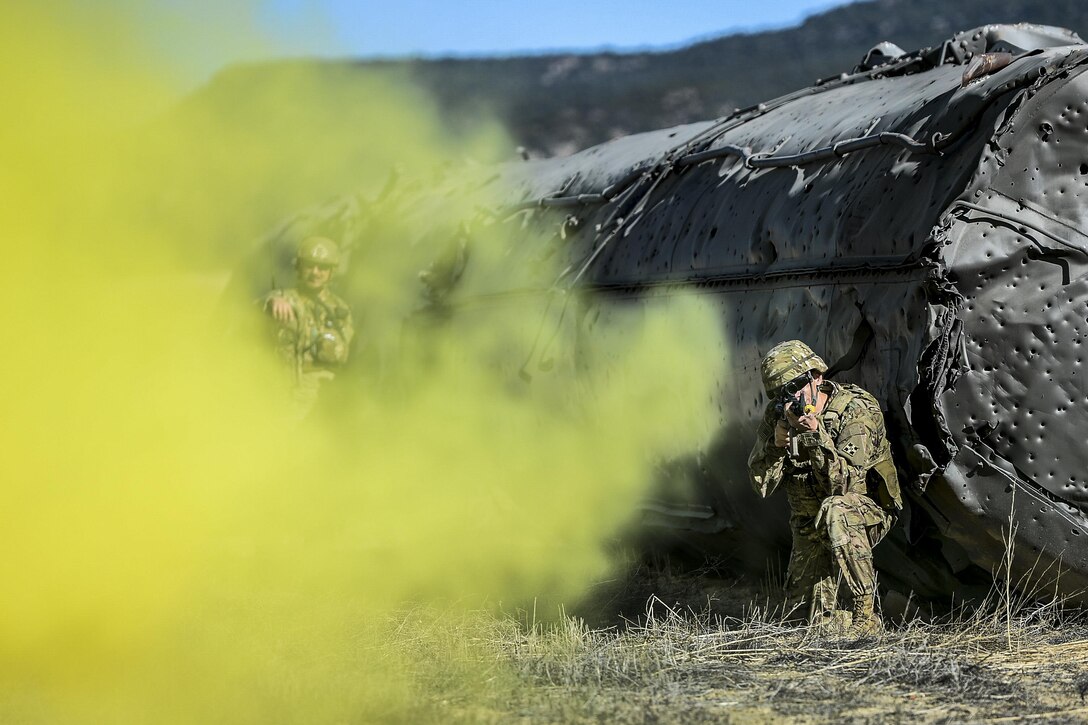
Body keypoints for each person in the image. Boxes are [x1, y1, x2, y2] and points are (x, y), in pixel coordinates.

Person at [747, 340, 901, 637]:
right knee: (802, 626)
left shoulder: (856, 410)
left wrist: (816, 436)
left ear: (816, 377)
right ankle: (837, 616)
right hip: (811, 522)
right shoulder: (780, 415)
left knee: (837, 509)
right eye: (780, 394)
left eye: (794, 388)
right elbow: (761, 485)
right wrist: (775, 447)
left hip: (863, 511)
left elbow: (846, 486)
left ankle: (866, 616)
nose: (788, 399)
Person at [265, 236, 354, 419]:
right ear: (299, 267)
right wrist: (273, 300)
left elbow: (345, 354)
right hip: (283, 393)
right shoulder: (285, 299)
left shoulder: (340, 309)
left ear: (331, 272)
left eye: (322, 268)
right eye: (309, 266)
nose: (315, 272)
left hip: (321, 398)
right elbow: (254, 311)